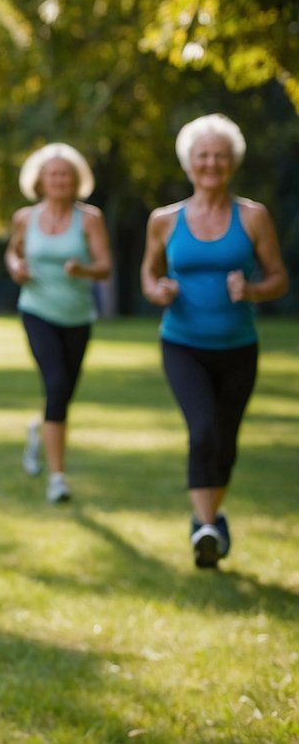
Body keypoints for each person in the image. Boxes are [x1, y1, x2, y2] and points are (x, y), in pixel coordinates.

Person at [140, 113, 288, 569]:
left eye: (220, 156)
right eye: (203, 155)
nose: (212, 163)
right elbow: (150, 272)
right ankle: (205, 526)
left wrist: (255, 290)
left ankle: (209, 520)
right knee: (202, 428)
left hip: (239, 346)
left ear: (232, 163)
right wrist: (158, 289)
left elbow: (279, 277)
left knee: (225, 440)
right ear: (189, 162)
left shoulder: (254, 216)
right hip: (183, 342)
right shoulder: (165, 220)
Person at [4, 143, 111, 503]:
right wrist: (16, 267)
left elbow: (105, 266)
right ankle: (58, 478)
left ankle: (38, 431)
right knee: (57, 382)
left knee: (61, 395)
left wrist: (82, 270)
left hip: (77, 316)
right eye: (53, 174)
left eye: (66, 175)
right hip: (36, 310)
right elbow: (13, 251)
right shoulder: (25, 218)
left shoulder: (90, 218)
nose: (60, 180)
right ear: (41, 181)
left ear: (76, 180)